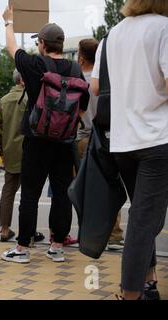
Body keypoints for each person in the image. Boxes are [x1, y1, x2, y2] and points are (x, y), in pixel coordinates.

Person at [91, 0, 168, 300]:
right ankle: (131, 293)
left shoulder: (113, 34)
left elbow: (96, 87)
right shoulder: (163, 28)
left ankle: (148, 282)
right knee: (144, 220)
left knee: (143, 214)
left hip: (122, 141)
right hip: (157, 138)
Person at [1, 6, 90, 264]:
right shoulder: (75, 69)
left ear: (42, 44)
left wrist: (8, 22)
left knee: (30, 194)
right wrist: (67, 124)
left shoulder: (37, 65)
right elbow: (82, 105)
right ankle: (57, 247)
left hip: (37, 139)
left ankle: (22, 249)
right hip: (64, 141)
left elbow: (11, 48)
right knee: (61, 192)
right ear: (61, 44)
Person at [76, 39, 124, 251]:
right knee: (111, 183)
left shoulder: (77, 81)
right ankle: (114, 233)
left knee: (87, 188)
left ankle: (89, 234)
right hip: (108, 135)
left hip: (83, 137)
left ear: (81, 56)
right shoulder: (108, 78)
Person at [0, 70, 26, 242]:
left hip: (10, 152)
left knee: (8, 191)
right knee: (29, 193)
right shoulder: (32, 99)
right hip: (30, 151)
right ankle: (28, 232)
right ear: (23, 80)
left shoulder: (4, 100)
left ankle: (4, 229)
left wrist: (1, 150)